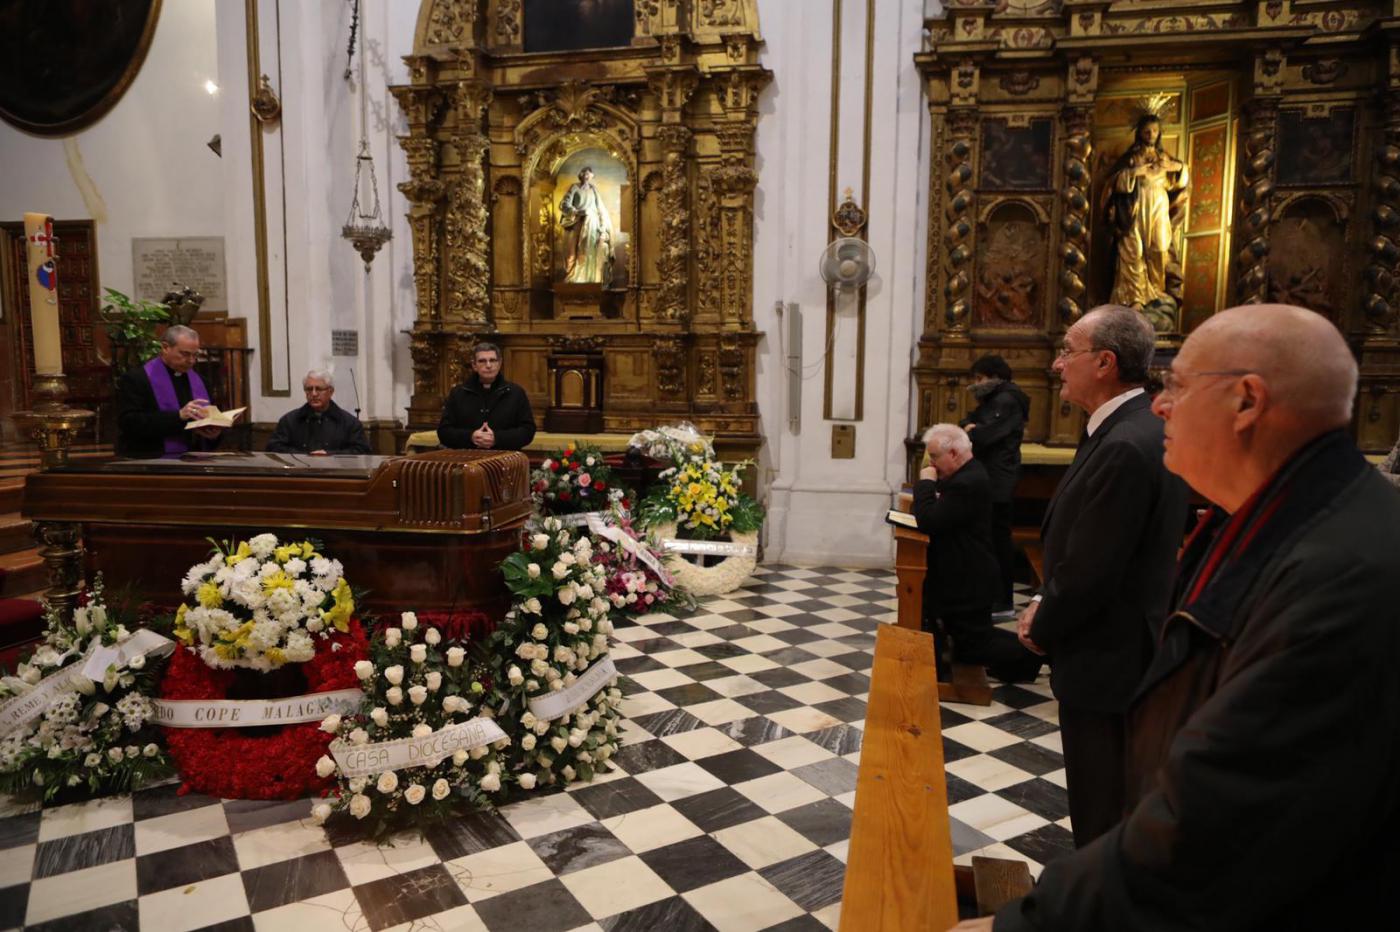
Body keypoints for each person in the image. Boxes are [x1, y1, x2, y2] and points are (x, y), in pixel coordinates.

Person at [955, 304, 1400, 932]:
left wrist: (1026, 924)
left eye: (1178, 386)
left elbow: (1213, 814)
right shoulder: (1283, 518)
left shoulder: (1338, 577)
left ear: (1247, 401)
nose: (1159, 406)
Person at [1016, 304, 1188, 848]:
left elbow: (1094, 569)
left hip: (1110, 657)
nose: (1057, 364)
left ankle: (1101, 894)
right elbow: (1085, 542)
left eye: (1068, 351)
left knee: (1102, 809)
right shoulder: (1127, 429)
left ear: (1105, 362)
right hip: (1115, 648)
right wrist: (1043, 599)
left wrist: (1043, 624)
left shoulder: (1126, 444)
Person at [915, 424, 1043, 684]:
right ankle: (1025, 661)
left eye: (934, 457)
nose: (931, 464)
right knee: (968, 642)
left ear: (953, 453)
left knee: (974, 647)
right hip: (964, 574)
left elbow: (929, 520)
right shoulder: (966, 474)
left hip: (968, 580)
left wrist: (926, 483)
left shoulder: (968, 481)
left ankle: (1034, 654)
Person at [960, 354, 1030, 615]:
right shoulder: (995, 399)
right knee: (988, 540)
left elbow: (984, 435)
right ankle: (989, 596)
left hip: (997, 482)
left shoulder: (1006, 400)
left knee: (996, 542)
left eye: (979, 378)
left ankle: (1001, 601)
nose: (976, 384)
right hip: (992, 478)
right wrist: (969, 427)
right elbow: (966, 422)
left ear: (995, 377)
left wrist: (972, 429)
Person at [1106, 114, 1189, 315]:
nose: (1151, 134)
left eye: (1155, 131)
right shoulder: (1131, 158)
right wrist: (1134, 173)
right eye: (1147, 131)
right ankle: (1134, 297)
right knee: (1134, 251)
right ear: (1140, 133)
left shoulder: (1165, 158)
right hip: (1135, 206)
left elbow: (1181, 183)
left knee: (1159, 248)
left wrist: (1179, 168)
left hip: (1159, 205)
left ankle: (1156, 291)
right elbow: (1112, 183)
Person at [115, 324, 224, 458]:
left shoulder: (202, 382)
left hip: (194, 459)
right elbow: (129, 422)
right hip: (149, 457)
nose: (191, 361)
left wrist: (213, 435)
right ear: (165, 348)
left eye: (195, 355)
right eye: (185, 354)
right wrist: (178, 416)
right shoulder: (137, 379)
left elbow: (207, 426)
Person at [438, 342, 536, 451]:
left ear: (499, 364)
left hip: (505, 457)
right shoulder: (458, 393)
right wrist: (471, 437)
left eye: (492, 360)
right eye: (482, 361)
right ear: (474, 365)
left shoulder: (516, 393)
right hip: (467, 456)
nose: (488, 365)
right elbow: (443, 431)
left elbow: (528, 431)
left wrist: (497, 438)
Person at [266, 369, 370, 455]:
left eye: (319, 389)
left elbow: (362, 451)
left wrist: (329, 455)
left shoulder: (349, 423)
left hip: (335, 472)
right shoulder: (289, 420)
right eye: (309, 389)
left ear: (330, 391)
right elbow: (273, 448)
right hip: (300, 471)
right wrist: (306, 457)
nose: (314, 394)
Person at [559, 166, 614, 284]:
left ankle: (589, 278)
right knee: (571, 253)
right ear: (580, 175)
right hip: (576, 223)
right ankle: (572, 277)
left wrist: (603, 226)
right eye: (584, 173)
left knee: (589, 251)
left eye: (588, 174)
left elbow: (600, 208)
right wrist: (577, 211)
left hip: (591, 224)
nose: (586, 176)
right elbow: (564, 204)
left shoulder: (593, 190)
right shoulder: (574, 188)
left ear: (591, 176)